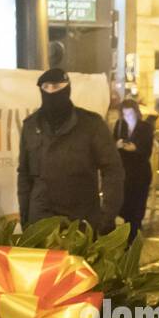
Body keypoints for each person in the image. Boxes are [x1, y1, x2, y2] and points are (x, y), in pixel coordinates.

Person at [17, 68, 123, 234]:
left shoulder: (91, 125)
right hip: (41, 222)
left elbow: (113, 170)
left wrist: (106, 217)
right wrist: (25, 218)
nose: (51, 92)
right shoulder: (31, 126)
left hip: (81, 220)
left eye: (57, 87)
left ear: (67, 89)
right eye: (46, 88)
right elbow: (24, 174)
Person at [112, 98, 153, 244]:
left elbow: (147, 149)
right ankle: (127, 233)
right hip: (125, 171)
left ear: (136, 113)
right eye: (125, 114)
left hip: (140, 171)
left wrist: (135, 149)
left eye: (130, 114)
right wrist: (117, 145)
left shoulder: (145, 127)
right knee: (123, 203)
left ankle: (133, 236)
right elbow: (113, 144)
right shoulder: (120, 125)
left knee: (137, 204)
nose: (128, 117)